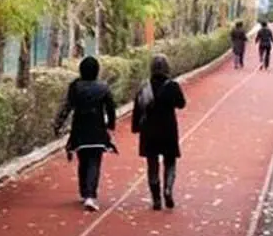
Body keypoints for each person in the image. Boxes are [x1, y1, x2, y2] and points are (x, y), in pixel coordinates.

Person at [53, 56, 117, 211]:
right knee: (94, 162)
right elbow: (111, 108)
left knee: (83, 159)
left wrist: (58, 124)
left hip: (80, 129)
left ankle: (84, 191)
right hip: (97, 130)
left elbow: (67, 107)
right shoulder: (103, 88)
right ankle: (90, 195)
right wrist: (111, 125)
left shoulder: (75, 87)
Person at [132, 54, 186, 210]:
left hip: (149, 130)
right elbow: (181, 104)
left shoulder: (145, 87)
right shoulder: (172, 86)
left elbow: (138, 108)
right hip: (168, 129)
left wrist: (136, 127)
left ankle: (156, 199)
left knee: (152, 164)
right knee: (170, 161)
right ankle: (168, 189)